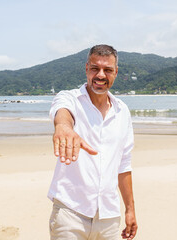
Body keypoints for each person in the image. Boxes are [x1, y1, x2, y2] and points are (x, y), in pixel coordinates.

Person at [48, 44, 137, 240]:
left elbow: (124, 165)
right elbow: (62, 111)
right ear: (86, 68)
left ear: (116, 73)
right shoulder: (70, 98)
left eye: (108, 70)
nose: (101, 75)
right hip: (70, 213)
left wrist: (130, 210)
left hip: (109, 218)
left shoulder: (122, 112)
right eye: (95, 68)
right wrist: (64, 127)